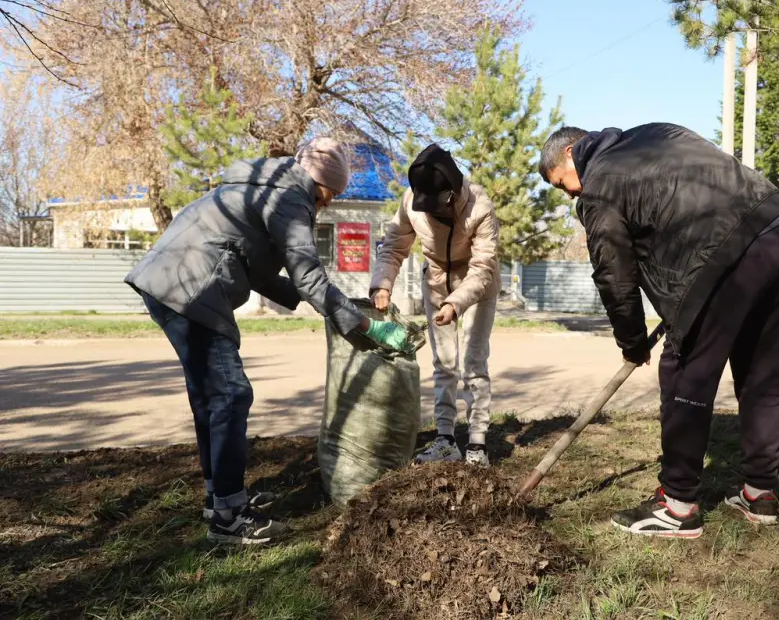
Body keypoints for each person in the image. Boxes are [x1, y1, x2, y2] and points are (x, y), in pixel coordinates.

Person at [125, 137, 413, 545]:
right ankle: (229, 519)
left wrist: (323, 301)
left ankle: (220, 498)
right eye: (332, 194)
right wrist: (365, 327)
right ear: (320, 182)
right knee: (230, 395)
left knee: (209, 398)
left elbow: (258, 267)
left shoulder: (259, 186)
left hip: (166, 284)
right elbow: (308, 274)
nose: (329, 203)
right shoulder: (292, 199)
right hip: (190, 289)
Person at [539, 123, 779, 539]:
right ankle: (760, 492)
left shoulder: (600, 183)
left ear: (571, 153)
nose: (571, 195)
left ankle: (677, 506)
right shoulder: (658, 133)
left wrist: (631, 341)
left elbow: (614, 273)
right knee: (760, 375)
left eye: (562, 184)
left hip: (726, 253)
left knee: (684, 373)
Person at [370, 143, 500, 467]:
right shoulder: (411, 203)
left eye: (437, 206)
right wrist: (382, 284)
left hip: (478, 285)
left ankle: (477, 445)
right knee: (444, 362)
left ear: (453, 194)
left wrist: (455, 303)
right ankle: (445, 440)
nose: (430, 213)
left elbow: (483, 267)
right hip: (437, 283)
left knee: (474, 363)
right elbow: (393, 247)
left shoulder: (479, 205)